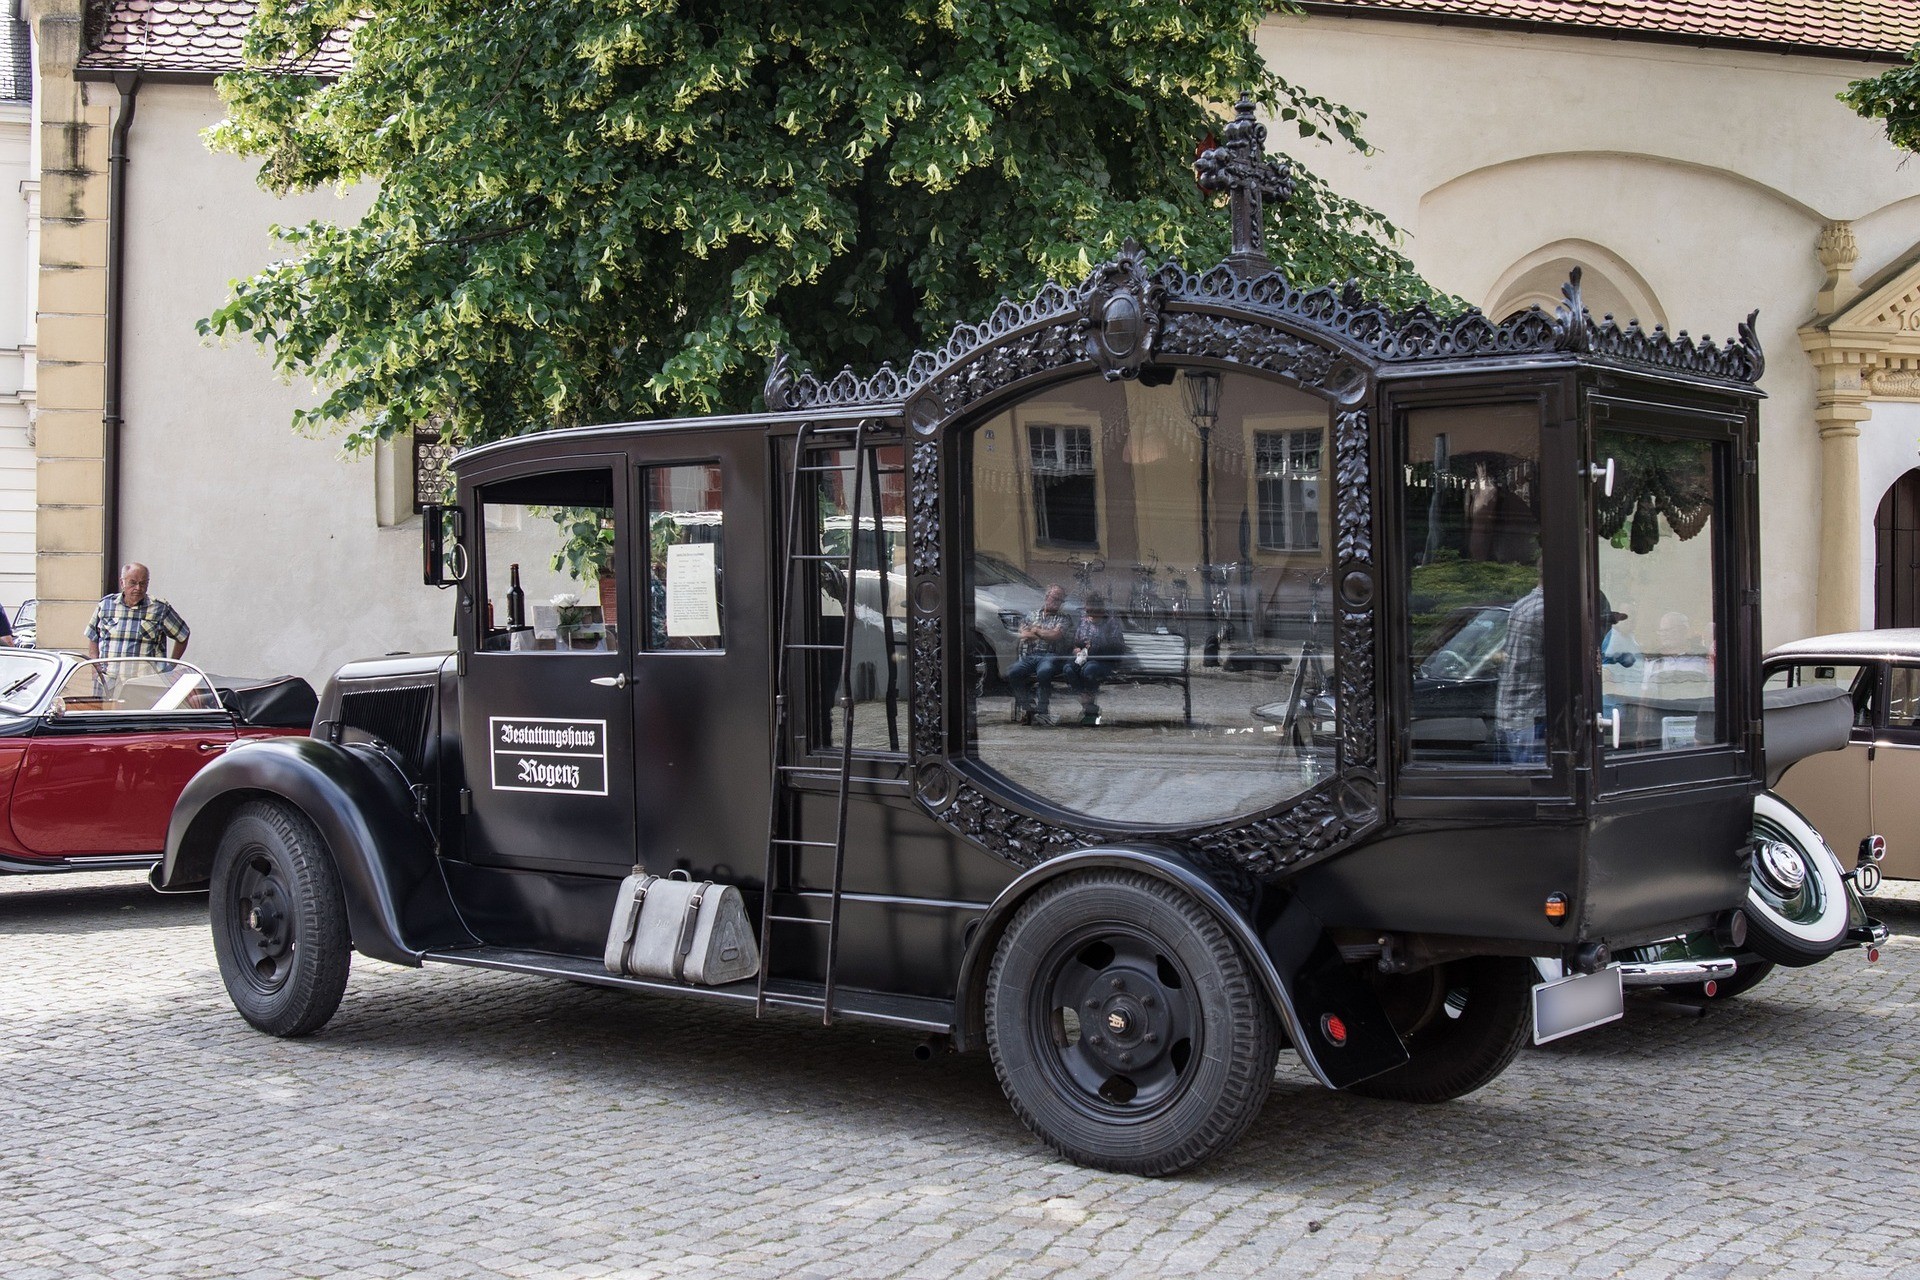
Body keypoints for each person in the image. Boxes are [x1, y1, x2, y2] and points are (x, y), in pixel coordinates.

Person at [86, 563, 190, 660]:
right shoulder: (106, 605)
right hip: (109, 678)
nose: (138, 588)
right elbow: (92, 636)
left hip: (146, 679)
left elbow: (183, 635)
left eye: (143, 583)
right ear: (122, 583)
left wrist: (171, 667)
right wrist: (96, 669)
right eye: (133, 583)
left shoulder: (160, 608)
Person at [1006, 583, 1070, 725]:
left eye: (1060, 600)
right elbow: (1023, 634)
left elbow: (1056, 635)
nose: (1058, 602)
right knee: (1013, 672)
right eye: (1055, 598)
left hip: (1050, 655)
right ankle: (1028, 706)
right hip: (1030, 655)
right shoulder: (1032, 614)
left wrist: (1036, 631)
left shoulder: (1063, 618)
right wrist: (1042, 633)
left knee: (1044, 671)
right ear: (1047, 597)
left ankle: (1042, 710)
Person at [1067, 593, 1126, 726]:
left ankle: (1090, 709)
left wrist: (1095, 647)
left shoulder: (1111, 622)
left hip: (1104, 660)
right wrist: (1076, 648)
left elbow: (1117, 647)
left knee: (1089, 670)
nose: (1090, 614)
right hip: (1084, 658)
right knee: (1068, 669)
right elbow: (1076, 642)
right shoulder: (1083, 621)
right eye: (1088, 610)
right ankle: (1085, 699)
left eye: (1093, 610)